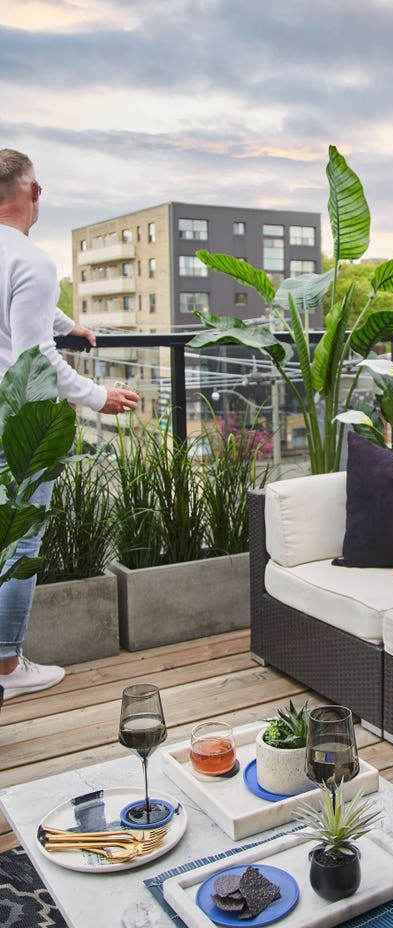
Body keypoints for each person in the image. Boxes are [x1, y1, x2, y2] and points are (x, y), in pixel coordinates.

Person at [0, 148, 139, 700]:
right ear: (34, 192)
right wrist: (97, 395)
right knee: (20, 542)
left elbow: (22, 307)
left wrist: (68, 324)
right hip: (18, 423)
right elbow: (32, 356)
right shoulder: (31, 260)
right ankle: (7, 665)